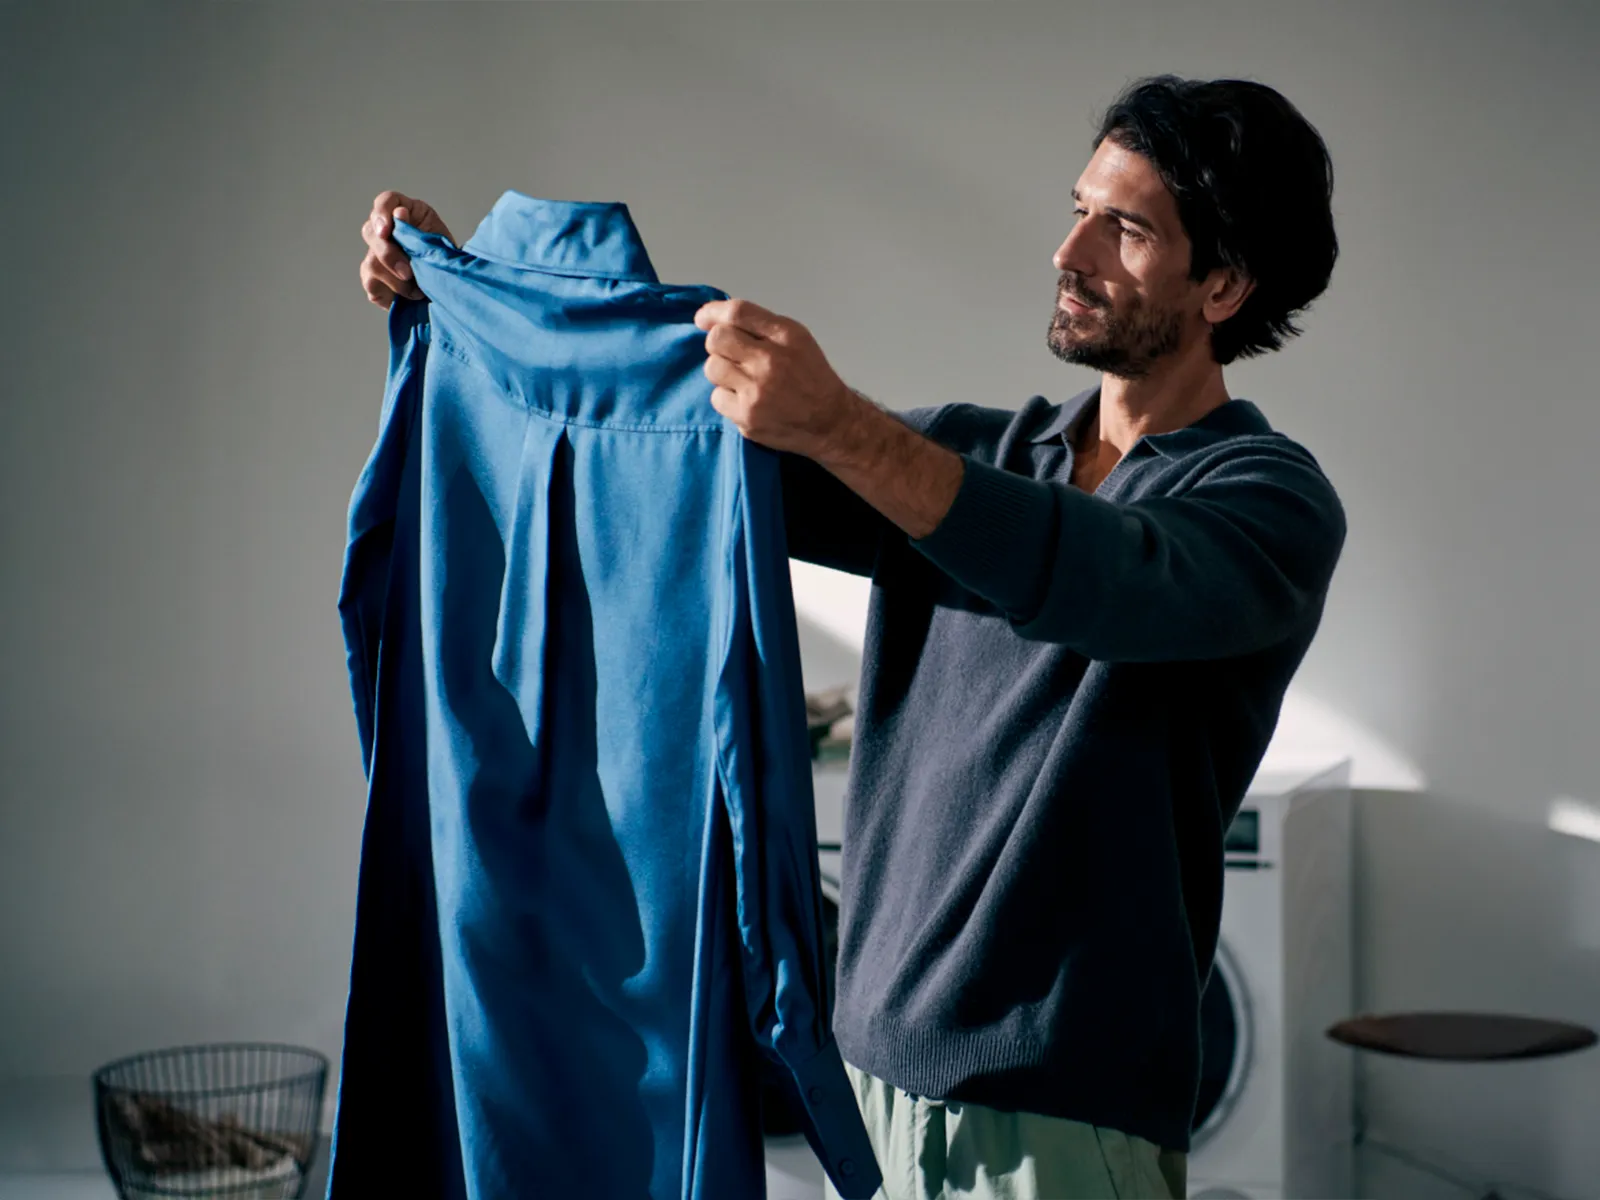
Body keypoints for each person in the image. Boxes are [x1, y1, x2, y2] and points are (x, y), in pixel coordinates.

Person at [357, 74, 1345, 1200]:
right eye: (1076, 207)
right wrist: (482, 298)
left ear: (1221, 283)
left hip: (1063, 1122)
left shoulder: (1267, 501)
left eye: (1123, 229)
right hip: (865, 1093)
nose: (1069, 250)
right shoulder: (987, 452)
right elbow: (692, 447)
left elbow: (1104, 578)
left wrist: (846, 428)